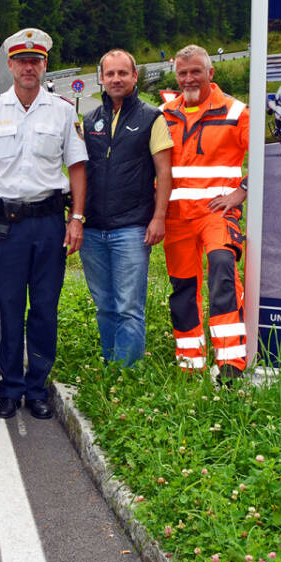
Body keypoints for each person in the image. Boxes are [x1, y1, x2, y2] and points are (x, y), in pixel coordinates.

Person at [0, 28, 88, 419]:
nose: (28, 67)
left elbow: (78, 167)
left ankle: (37, 388)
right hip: (8, 228)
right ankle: (10, 388)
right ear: (11, 66)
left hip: (50, 224)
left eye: (35, 61)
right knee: (10, 308)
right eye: (22, 61)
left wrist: (77, 219)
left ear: (44, 65)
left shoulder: (64, 111)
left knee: (45, 310)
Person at [80, 49, 173, 366]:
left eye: (123, 73)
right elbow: (81, 172)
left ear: (135, 76)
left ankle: (126, 373)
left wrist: (158, 217)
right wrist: (75, 218)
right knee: (104, 305)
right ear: (101, 78)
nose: (116, 79)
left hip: (132, 228)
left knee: (129, 306)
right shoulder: (90, 120)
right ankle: (110, 364)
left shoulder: (152, 117)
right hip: (93, 230)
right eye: (110, 74)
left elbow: (164, 172)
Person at [162, 45, 249, 381]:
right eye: (182, 73)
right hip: (177, 217)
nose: (188, 78)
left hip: (217, 213)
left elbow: (266, 154)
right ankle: (190, 361)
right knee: (183, 286)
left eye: (195, 71)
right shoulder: (165, 113)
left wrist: (242, 192)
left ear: (210, 73)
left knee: (222, 270)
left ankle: (230, 363)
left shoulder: (236, 112)